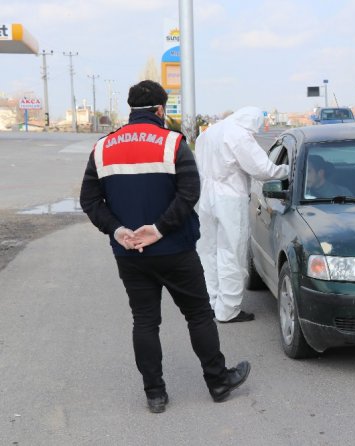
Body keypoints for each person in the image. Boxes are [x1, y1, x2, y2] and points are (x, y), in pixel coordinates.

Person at [79, 80, 250, 414]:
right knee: (198, 314)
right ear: (159, 109)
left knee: (144, 321)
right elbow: (189, 192)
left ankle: (155, 394)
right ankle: (218, 382)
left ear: (131, 109)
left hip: (129, 253)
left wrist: (118, 231)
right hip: (175, 250)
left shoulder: (103, 147)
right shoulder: (172, 143)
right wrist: (158, 230)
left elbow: (89, 199)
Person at [195, 107, 289, 323]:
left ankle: (209, 303)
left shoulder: (209, 133)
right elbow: (263, 170)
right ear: (253, 122)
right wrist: (285, 170)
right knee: (231, 252)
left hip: (207, 196)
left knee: (208, 252)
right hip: (229, 197)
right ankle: (228, 310)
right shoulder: (239, 134)